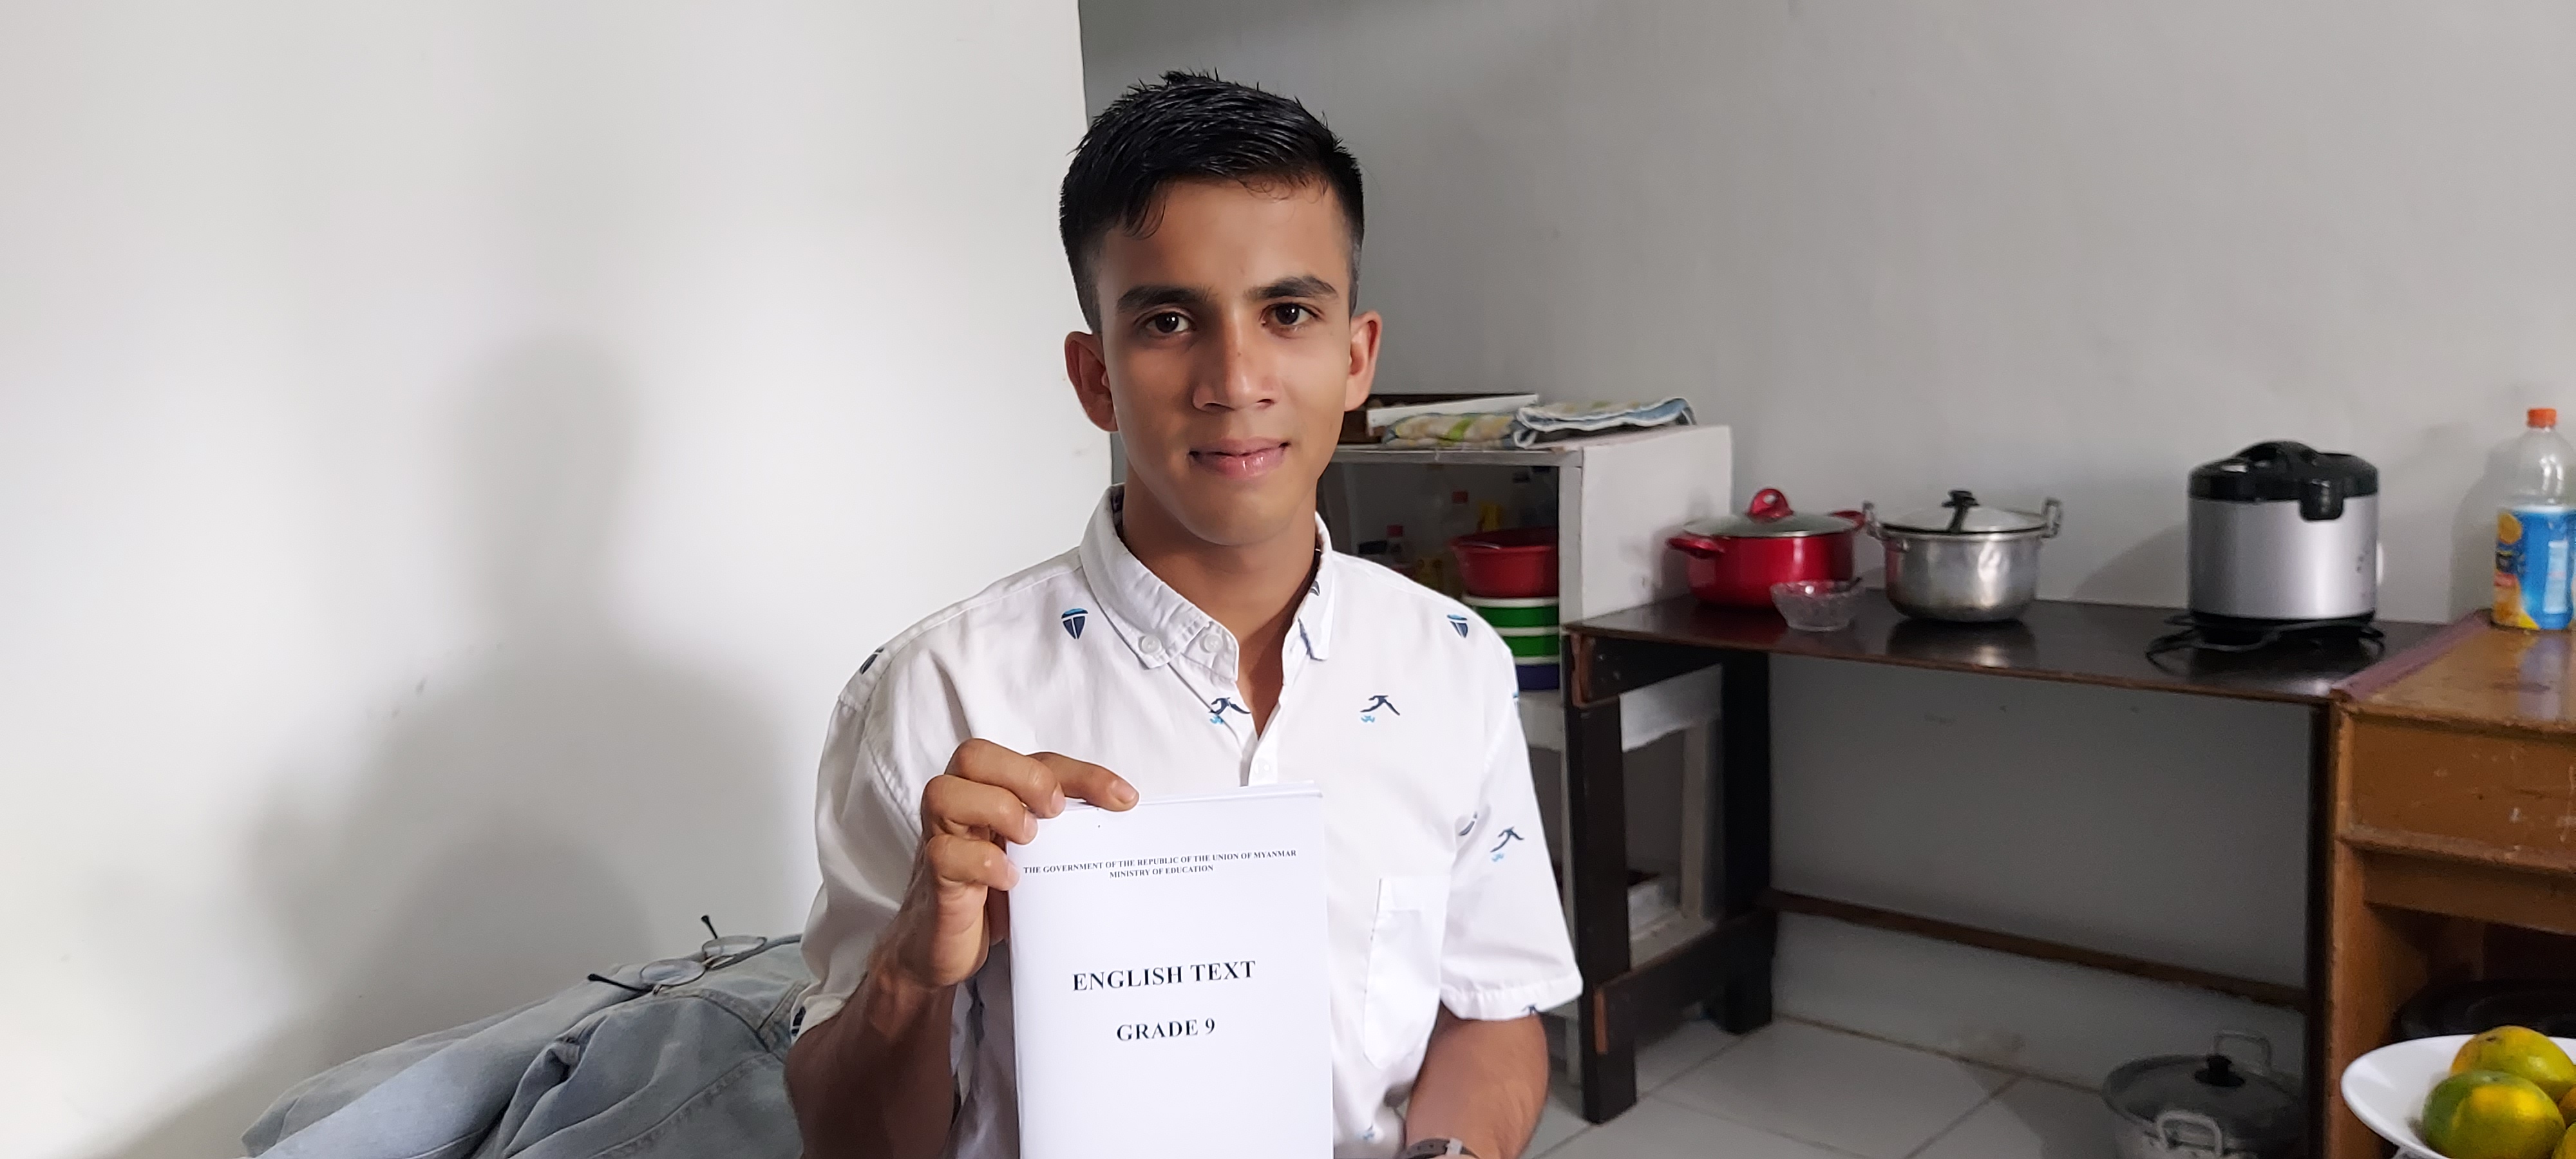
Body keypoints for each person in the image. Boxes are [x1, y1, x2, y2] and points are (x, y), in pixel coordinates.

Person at [784, 71, 1578, 1159]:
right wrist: (910, 973)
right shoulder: (935, 697)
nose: (1235, 378)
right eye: (1168, 320)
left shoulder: (1453, 666)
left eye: (1288, 313)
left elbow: (1490, 1010)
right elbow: (846, 1140)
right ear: (1095, 375)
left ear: (1356, 358)